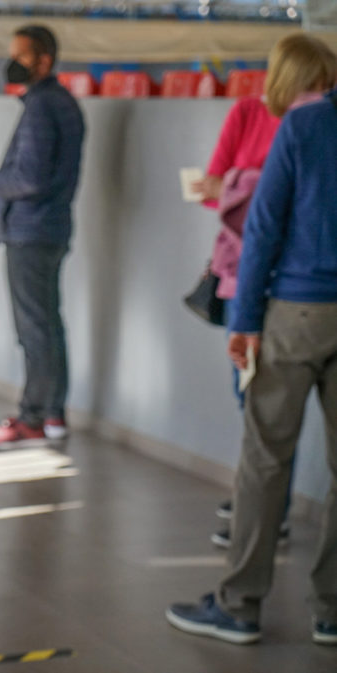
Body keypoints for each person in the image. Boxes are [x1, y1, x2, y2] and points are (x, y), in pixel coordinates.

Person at [167, 89, 337, 648]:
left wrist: (244, 320)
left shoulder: (305, 124)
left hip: (296, 311)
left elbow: (263, 224)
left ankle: (240, 606)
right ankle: (332, 610)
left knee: (265, 459)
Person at [192, 33, 337, 549]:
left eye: (325, 85)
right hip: (255, 285)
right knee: (255, 409)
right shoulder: (257, 116)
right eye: (310, 84)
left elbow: (267, 226)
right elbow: (229, 202)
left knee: (266, 440)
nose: (317, 93)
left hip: (291, 296)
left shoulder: (306, 126)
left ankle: (244, 594)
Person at [0, 25, 85, 449]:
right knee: (46, 325)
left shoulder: (42, 106)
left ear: (44, 61)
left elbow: (31, 177)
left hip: (31, 232)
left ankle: (33, 417)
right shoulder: (59, 103)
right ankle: (52, 413)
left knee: (35, 328)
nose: (13, 62)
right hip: (48, 230)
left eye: (21, 55)